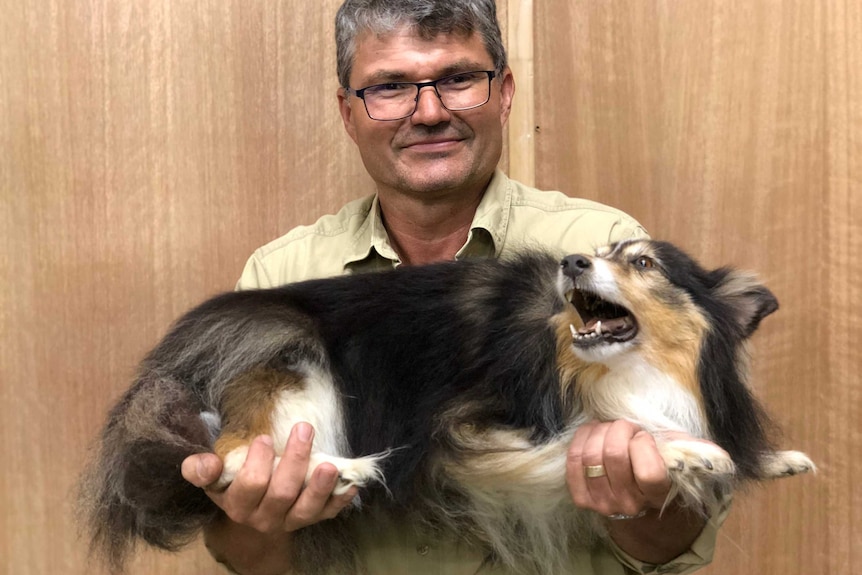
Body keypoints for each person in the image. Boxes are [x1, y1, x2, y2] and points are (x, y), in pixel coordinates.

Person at [182, 1, 730, 573]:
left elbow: (677, 542)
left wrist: (639, 504)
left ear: (505, 91)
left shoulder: (602, 252)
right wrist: (260, 517)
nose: (428, 112)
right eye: (390, 87)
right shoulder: (280, 283)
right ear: (348, 113)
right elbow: (240, 552)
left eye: (459, 78)